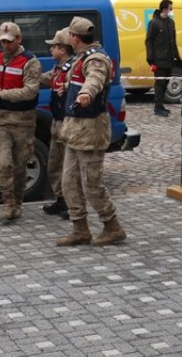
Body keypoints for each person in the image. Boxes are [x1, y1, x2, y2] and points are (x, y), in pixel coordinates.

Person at [57, 16, 125, 247]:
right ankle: (80, 229)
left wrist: (86, 93)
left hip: (90, 130)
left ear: (75, 38)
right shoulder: (79, 57)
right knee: (69, 183)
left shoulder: (96, 59)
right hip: (75, 130)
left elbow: (95, 79)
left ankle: (112, 227)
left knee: (92, 184)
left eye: (70, 35)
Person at [0, 21, 42, 223]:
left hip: (23, 122)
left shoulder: (30, 62)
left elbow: (30, 90)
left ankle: (18, 201)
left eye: (9, 41)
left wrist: (2, 93)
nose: (6, 45)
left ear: (19, 39)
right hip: (0, 120)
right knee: (2, 163)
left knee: (20, 165)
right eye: (3, 41)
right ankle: (8, 202)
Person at [40, 29, 75, 218]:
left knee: (67, 166)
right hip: (57, 121)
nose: (50, 50)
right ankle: (61, 200)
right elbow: (45, 78)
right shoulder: (57, 68)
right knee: (54, 164)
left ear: (62, 49)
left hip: (67, 122)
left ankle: (72, 205)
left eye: (53, 47)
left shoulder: (71, 68)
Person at [145, 0, 177, 117]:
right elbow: (149, 41)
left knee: (166, 82)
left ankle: (161, 105)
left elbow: (173, 41)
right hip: (159, 59)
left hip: (169, 59)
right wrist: (150, 58)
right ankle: (157, 107)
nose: (171, 10)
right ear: (165, 8)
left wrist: (176, 56)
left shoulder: (170, 22)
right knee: (160, 83)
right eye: (170, 8)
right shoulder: (154, 23)